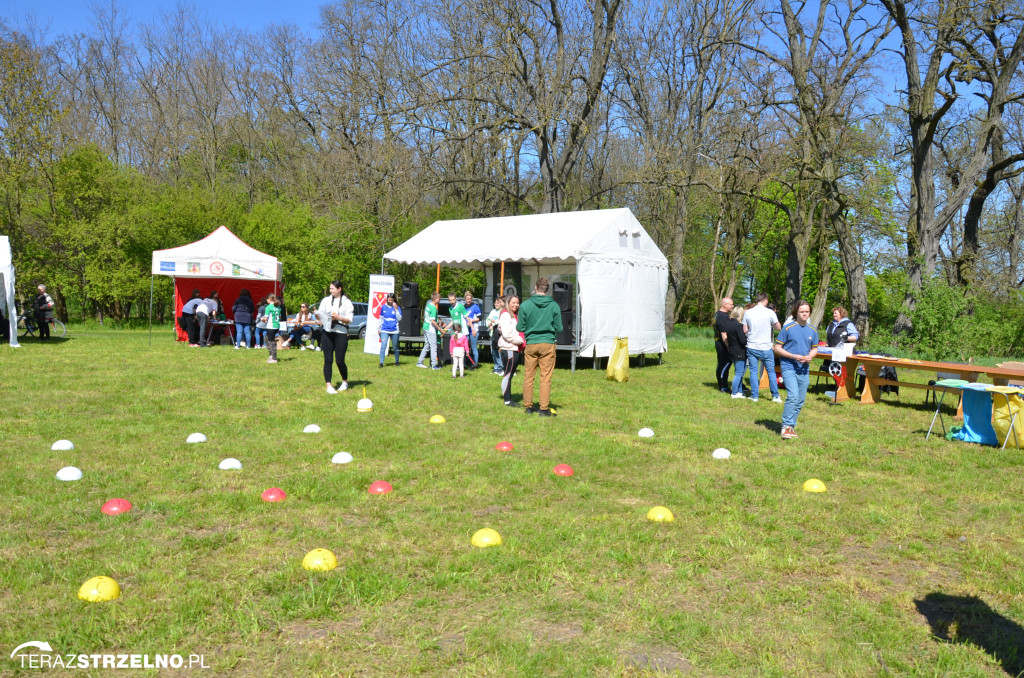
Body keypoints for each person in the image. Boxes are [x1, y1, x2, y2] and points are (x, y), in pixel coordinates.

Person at [516, 278, 562, 416]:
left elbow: (519, 327)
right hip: (547, 343)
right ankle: (543, 409)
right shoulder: (554, 306)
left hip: (531, 343)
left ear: (536, 287)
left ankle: (528, 407)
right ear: (547, 289)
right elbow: (559, 327)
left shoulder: (525, 305)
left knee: (529, 376)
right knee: (545, 377)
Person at [774, 300, 819, 439]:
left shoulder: (813, 330)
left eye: (807, 312)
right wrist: (793, 356)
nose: (804, 314)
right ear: (796, 312)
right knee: (793, 396)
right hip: (789, 367)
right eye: (802, 312)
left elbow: (814, 349)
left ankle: (791, 426)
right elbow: (777, 348)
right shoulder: (788, 328)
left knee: (800, 400)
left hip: (804, 369)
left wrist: (810, 357)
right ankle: (786, 426)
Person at [744, 292, 783, 403]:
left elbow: (745, 330)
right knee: (771, 372)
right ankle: (775, 396)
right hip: (766, 347)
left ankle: (754, 396)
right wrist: (772, 325)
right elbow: (778, 327)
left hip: (752, 346)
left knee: (753, 371)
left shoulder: (748, 312)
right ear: (765, 301)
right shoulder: (770, 312)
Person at [316, 281, 354, 393]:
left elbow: (349, 320)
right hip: (327, 332)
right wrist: (318, 315)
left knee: (340, 361)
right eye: (330, 288)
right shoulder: (326, 300)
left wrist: (338, 317)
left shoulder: (347, 302)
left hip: (341, 333)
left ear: (339, 289)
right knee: (328, 360)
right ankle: (329, 385)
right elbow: (320, 317)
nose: (330, 291)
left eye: (332, 288)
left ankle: (345, 382)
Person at [498, 295, 525, 406]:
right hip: (509, 348)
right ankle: (507, 400)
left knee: (510, 374)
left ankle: (509, 398)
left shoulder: (513, 315)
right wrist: (521, 340)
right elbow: (507, 334)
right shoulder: (505, 314)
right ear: (508, 303)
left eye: (517, 303)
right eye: (513, 302)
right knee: (508, 375)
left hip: (514, 348)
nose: (515, 305)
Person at [723, 306, 748, 398]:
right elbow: (742, 341)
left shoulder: (728, 324)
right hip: (739, 351)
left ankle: (739, 391)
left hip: (732, 350)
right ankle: (734, 393)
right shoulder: (739, 326)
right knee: (739, 373)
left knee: (739, 372)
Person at [416, 291, 443, 370]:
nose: (439, 300)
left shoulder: (428, 306)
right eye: (439, 298)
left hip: (425, 327)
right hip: (430, 329)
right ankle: (434, 365)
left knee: (427, 345)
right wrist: (439, 328)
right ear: (435, 299)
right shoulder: (433, 308)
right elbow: (433, 321)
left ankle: (420, 362)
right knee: (433, 346)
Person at [714, 297, 734, 392]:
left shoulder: (718, 314)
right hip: (722, 344)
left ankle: (722, 385)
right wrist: (728, 346)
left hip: (719, 343)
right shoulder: (723, 316)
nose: (732, 306)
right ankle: (723, 386)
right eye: (731, 304)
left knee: (722, 364)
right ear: (725, 305)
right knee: (724, 364)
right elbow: (723, 333)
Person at [378, 293, 402, 367]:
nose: (390, 301)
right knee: (383, 345)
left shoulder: (397, 307)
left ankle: (397, 361)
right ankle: (381, 362)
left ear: (394, 300)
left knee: (395, 347)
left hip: (395, 330)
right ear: (387, 300)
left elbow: (399, 318)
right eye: (389, 300)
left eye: (392, 300)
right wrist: (379, 328)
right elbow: (381, 318)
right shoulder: (383, 307)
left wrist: (396, 309)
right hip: (385, 329)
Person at [463, 290, 481, 369]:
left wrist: (471, 321)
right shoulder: (463, 307)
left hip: (474, 330)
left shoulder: (475, 306)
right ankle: (465, 364)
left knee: (474, 348)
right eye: (467, 299)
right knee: (465, 348)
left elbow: (480, 318)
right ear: (465, 299)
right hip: (466, 330)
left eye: (470, 299)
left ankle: (475, 363)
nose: (469, 300)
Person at [487, 296, 505, 375]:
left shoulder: (502, 311)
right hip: (492, 334)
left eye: (498, 303)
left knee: (499, 351)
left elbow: (500, 321)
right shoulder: (493, 311)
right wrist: (490, 324)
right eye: (495, 303)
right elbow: (488, 319)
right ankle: (496, 366)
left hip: (499, 335)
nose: (496, 305)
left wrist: (494, 322)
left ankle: (501, 367)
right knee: (493, 351)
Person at [263, 294, 282, 363]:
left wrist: (262, 319)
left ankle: (274, 358)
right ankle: (271, 355)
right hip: (276, 326)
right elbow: (279, 317)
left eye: (267, 299)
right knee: (266, 339)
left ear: (269, 299)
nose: (266, 300)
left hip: (271, 326)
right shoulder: (278, 307)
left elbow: (265, 319)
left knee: (271, 342)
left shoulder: (268, 307)